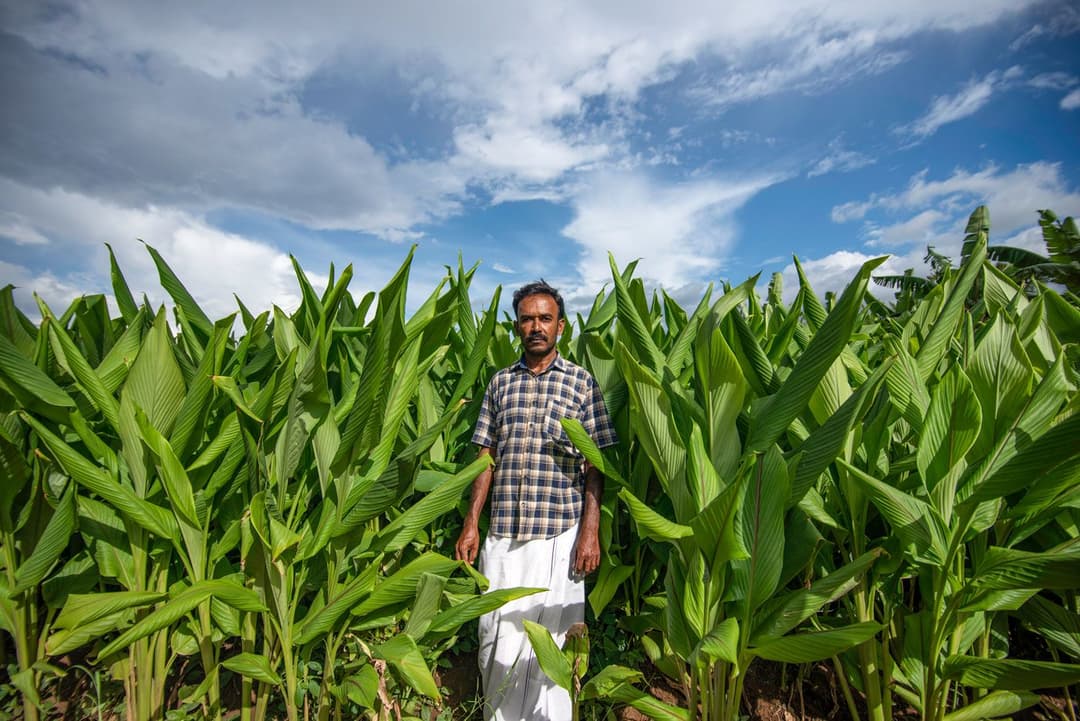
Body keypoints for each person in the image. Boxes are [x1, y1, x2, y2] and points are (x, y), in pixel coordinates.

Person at [455, 280, 617, 721]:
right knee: (496, 637)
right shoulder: (500, 383)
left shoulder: (581, 383)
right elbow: (485, 457)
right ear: (517, 327)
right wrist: (471, 523)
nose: (536, 327)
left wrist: (590, 531)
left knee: (555, 642)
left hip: (559, 534)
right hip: (504, 532)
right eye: (527, 319)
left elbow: (596, 464)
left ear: (560, 326)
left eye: (545, 318)